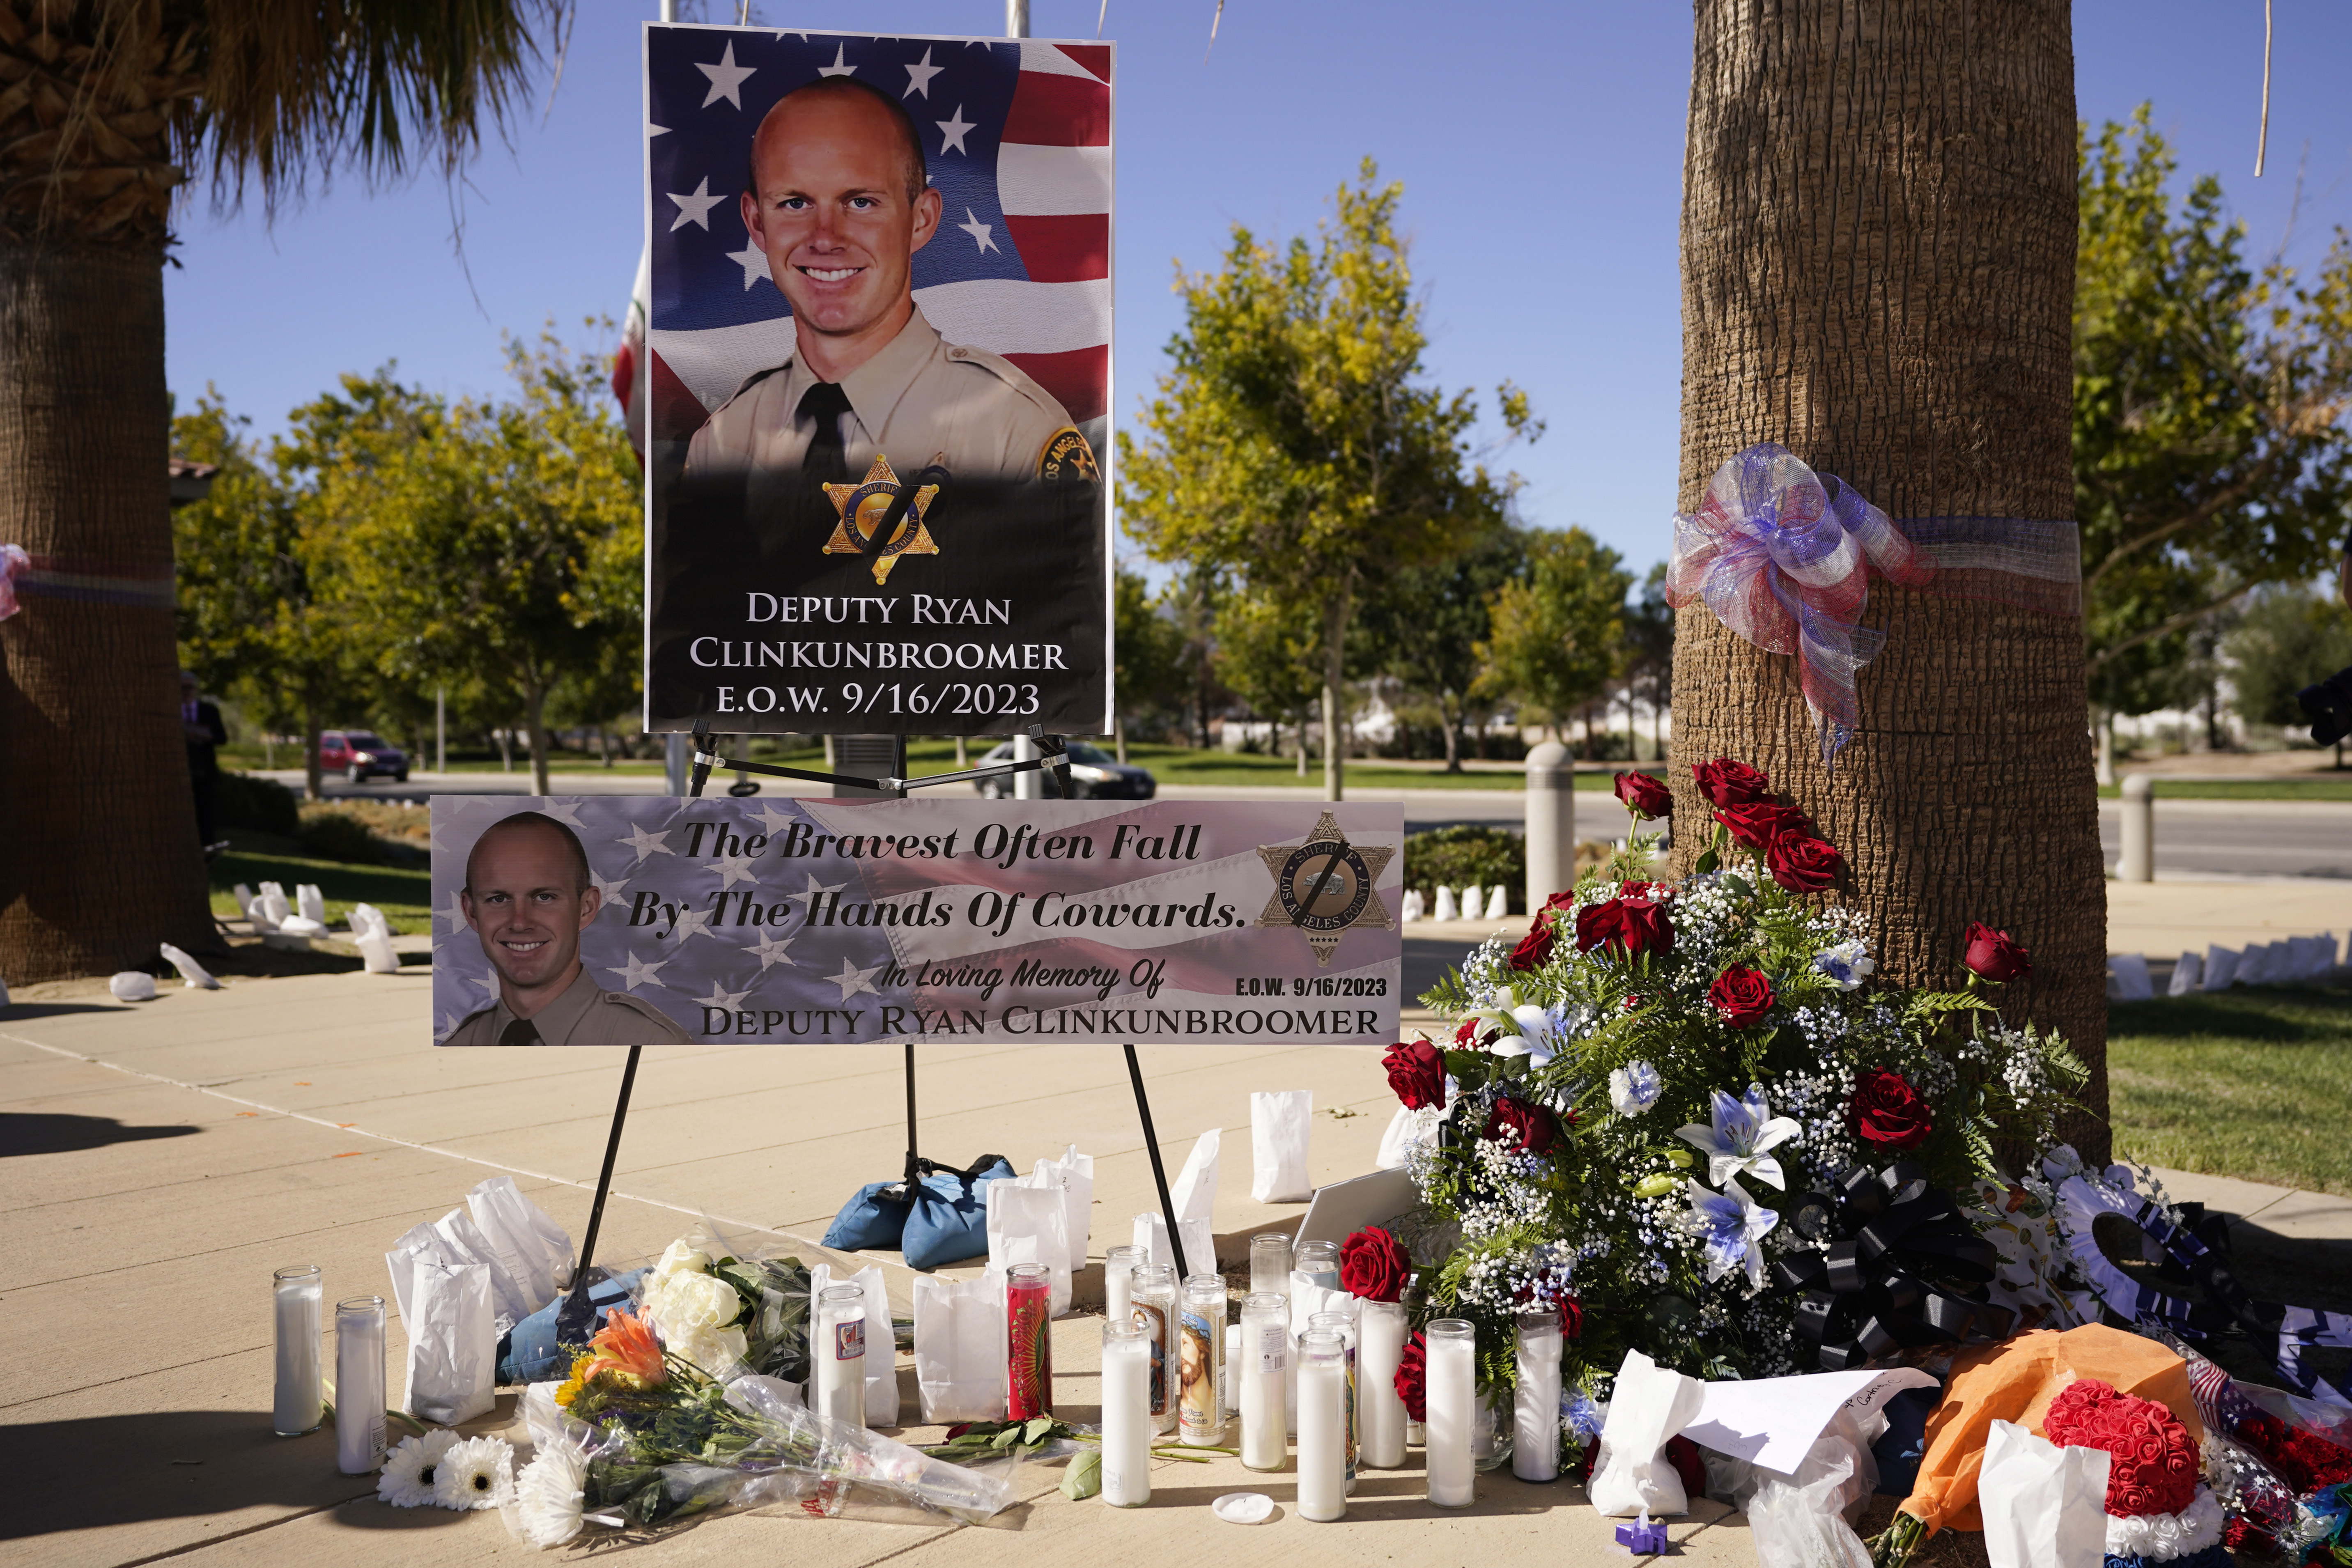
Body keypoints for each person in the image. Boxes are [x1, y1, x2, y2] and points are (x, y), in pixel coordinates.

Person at [685, 76, 1099, 501]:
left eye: (860, 203)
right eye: (795, 203)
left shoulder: (1014, 431)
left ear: (920, 219)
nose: (825, 238)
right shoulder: (721, 444)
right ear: (756, 222)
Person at [443, 811, 693, 1046]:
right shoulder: (463, 1042)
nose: (519, 922)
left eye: (544, 898)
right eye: (499, 899)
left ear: (586, 908)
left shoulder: (649, 1040)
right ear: (471, 911)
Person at [180, 671, 227, 852]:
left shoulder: (209, 711)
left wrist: (204, 736)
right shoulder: (170, 710)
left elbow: (222, 738)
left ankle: (207, 854)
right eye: (182, 688)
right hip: (179, 772)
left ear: (196, 689)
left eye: (190, 687)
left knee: (205, 816)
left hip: (204, 773)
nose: (186, 692)